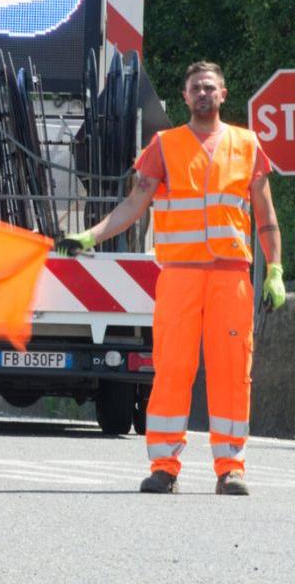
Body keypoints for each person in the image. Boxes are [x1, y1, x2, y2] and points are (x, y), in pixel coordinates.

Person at [59, 61, 286, 496]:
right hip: (179, 276)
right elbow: (133, 205)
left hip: (231, 276)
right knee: (172, 371)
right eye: (195, 89)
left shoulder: (247, 144)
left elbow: (267, 218)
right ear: (185, 97)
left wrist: (274, 269)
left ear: (223, 94)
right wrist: (90, 235)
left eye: (209, 88)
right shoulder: (164, 146)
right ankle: (164, 466)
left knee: (233, 371)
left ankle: (230, 468)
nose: (202, 94)